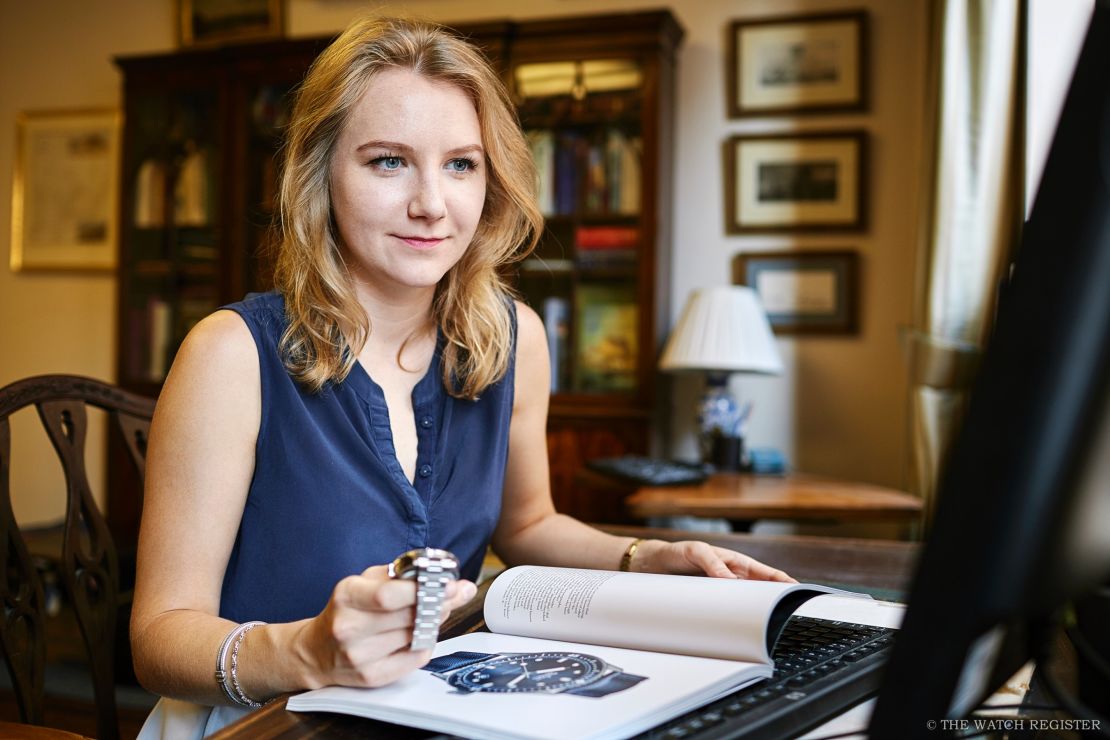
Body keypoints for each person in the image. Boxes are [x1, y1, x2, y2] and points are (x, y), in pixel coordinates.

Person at [131, 14, 794, 737]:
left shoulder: (515, 339)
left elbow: (529, 525)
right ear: (319, 171)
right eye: (388, 161)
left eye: (460, 164)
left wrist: (645, 556)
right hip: (259, 721)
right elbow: (158, 638)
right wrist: (303, 650)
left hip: (428, 708)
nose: (432, 204)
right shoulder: (229, 353)